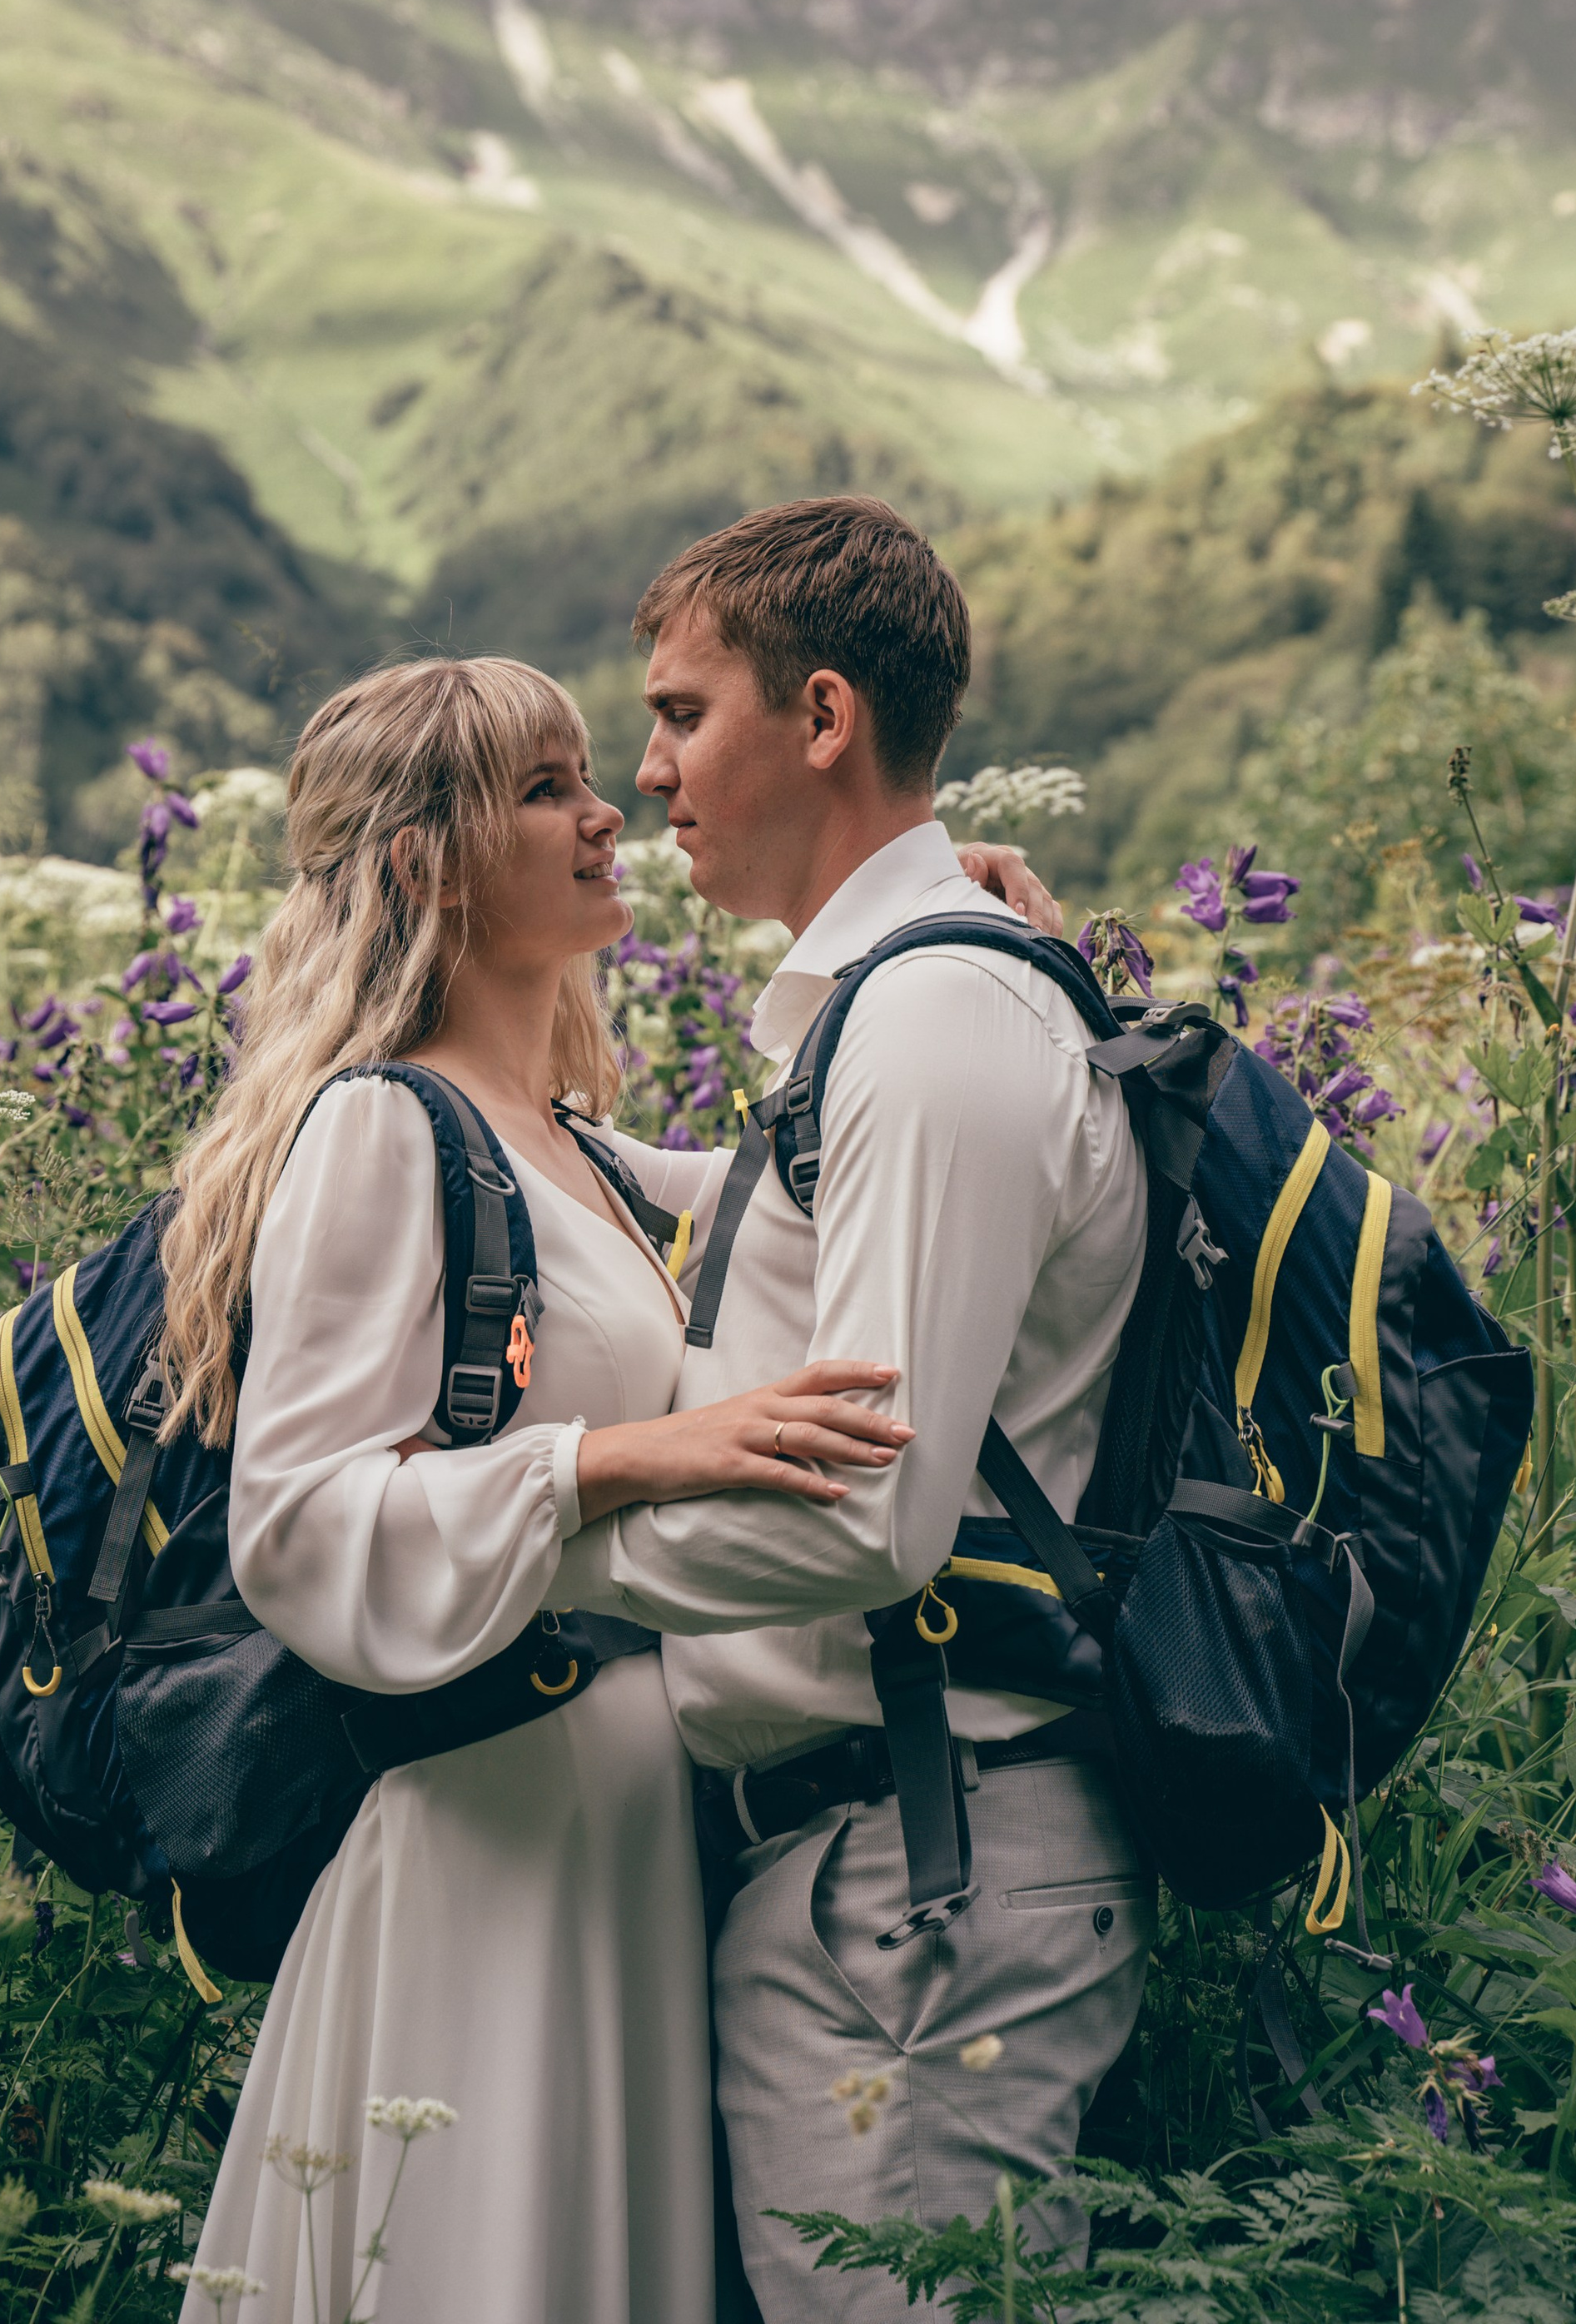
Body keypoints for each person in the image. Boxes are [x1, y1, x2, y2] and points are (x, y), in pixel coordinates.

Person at [159, 655, 918, 2324]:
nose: (606, 817)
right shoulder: (378, 1128)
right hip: (488, 1848)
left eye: (592, 774)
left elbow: (843, 1157)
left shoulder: (578, 1149)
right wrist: (617, 1459)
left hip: (619, 1841)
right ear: (423, 856)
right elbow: (297, 1527)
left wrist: (956, 931)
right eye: (543, 789)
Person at [548, 496, 1153, 2322]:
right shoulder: (882, 1014)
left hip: (922, 1879)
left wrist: (508, 1542)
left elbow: (867, 1518)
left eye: (678, 713)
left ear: (821, 717)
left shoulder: (929, 1027)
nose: (644, 772)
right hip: (879, 1862)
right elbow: (777, 1253)